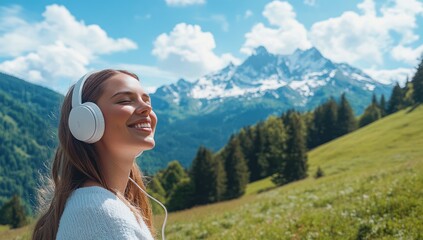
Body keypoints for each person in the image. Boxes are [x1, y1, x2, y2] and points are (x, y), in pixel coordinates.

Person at [32, 69, 159, 240]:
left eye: (146, 100)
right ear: (86, 121)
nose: (146, 108)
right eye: (125, 100)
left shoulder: (101, 206)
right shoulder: (97, 212)